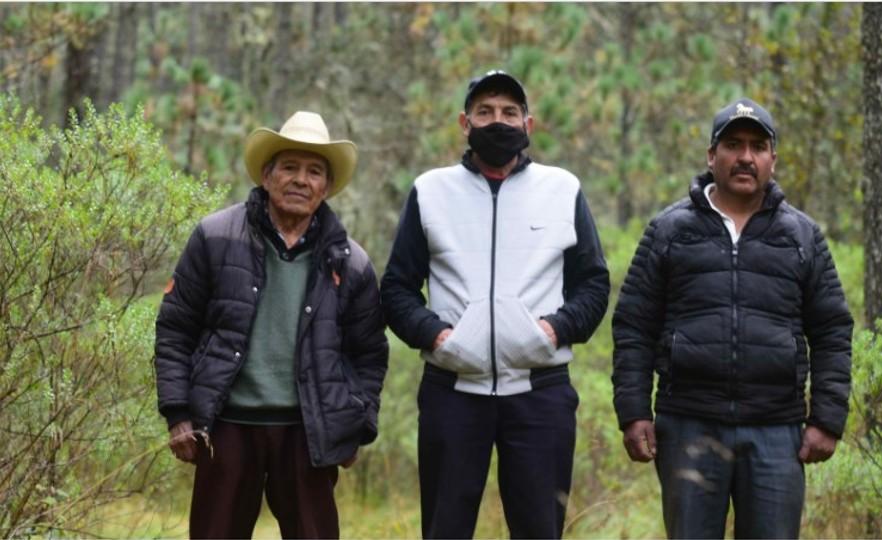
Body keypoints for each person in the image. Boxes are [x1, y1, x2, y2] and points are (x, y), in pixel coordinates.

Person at [380, 70, 610, 539]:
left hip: (540, 392)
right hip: (451, 392)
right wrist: (436, 336)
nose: (497, 121)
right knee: (444, 529)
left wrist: (555, 329)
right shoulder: (431, 190)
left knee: (540, 530)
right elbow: (397, 288)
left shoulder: (562, 189)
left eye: (509, 112)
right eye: (485, 112)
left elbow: (593, 284)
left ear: (529, 124)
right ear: (464, 123)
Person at [611, 98, 853, 539]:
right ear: (711, 155)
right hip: (687, 424)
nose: (745, 157)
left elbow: (833, 329)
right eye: (733, 144)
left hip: (776, 431)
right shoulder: (669, 231)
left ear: (772, 161)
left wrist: (826, 418)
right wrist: (633, 411)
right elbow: (633, 325)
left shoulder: (801, 236)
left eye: (758, 147)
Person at [154, 111, 388, 539]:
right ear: (267, 175)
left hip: (308, 432)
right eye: (290, 167)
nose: (301, 180)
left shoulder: (351, 262)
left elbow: (369, 354)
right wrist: (178, 412)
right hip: (225, 427)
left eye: (314, 171)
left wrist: (358, 426)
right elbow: (175, 329)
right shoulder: (215, 236)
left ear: (327, 187)